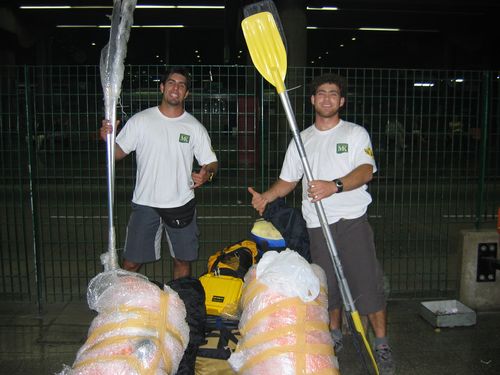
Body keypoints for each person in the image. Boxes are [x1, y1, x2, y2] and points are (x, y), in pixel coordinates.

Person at [248, 73, 394, 374]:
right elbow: (288, 180)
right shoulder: (302, 140)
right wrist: (266, 197)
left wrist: (334, 186)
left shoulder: (355, 134)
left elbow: (366, 171)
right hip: (317, 225)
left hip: (351, 221)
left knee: (367, 284)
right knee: (327, 287)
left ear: (341, 101)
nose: (327, 98)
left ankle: (381, 344)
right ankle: (334, 336)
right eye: (321, 93)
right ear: (313, 100)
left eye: (333, 93)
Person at [100, 66, 218, 279]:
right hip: (146, 203)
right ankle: (127, 306)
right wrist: (108, 139)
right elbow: (117, 154)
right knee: (131, 263)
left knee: (182, 261)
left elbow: (211, 163)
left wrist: (206, 174)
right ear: (163, 87)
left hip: (181, 204)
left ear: (186, 93)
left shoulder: (194, 127)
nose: (176, 88)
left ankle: (179, 305)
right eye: (171, 83)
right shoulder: (141, 120)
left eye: (182, 85)